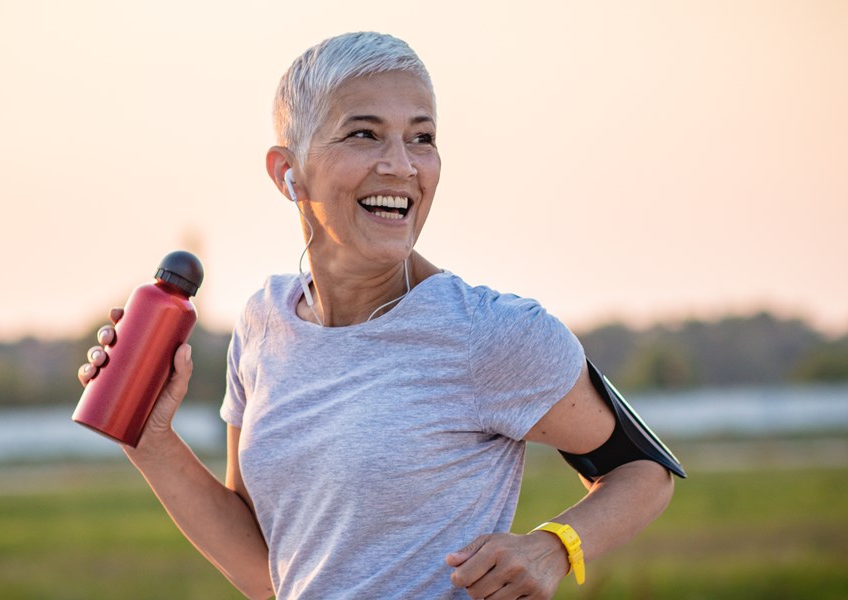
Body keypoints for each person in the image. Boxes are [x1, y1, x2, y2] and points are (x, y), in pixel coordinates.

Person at [82, 32, 678, 600]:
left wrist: (554, 547)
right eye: (364, 135)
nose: (402, 165)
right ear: (286, 171)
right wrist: (150, 439)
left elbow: (643, 470)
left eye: (422, 138)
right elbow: (261, 568)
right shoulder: (265, 323)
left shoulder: (491, 333)